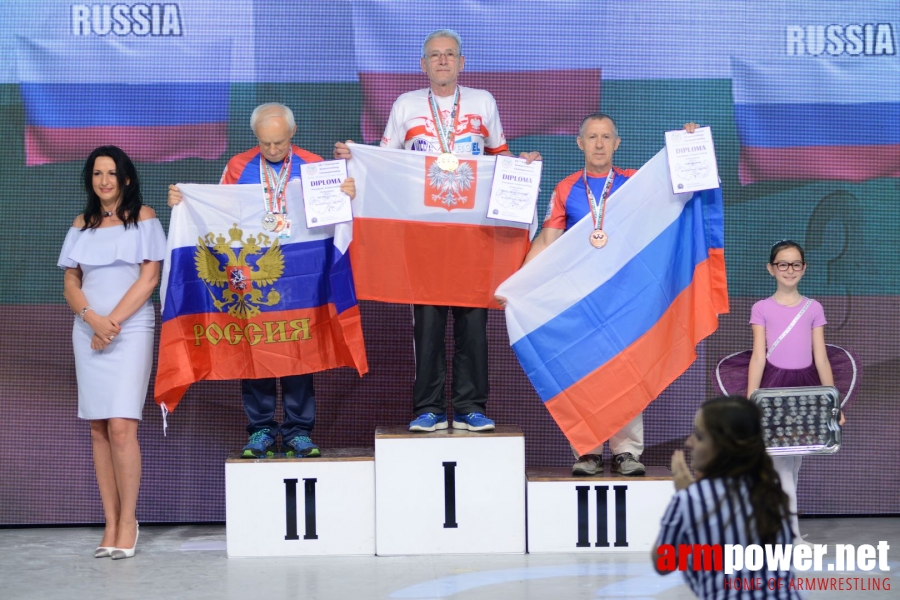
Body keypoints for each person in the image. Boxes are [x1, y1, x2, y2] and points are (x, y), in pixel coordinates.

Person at [334, 29, 540, 433]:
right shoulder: (405, 105)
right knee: (426, 322)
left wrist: (522, 164)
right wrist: (354, 157)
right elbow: (384, 161)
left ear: (462, 63)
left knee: (472, 323)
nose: (443, 61)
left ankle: (470, 407)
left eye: (450, 55)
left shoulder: (483, 101)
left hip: (473, 232)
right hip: (422, 232)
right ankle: (427, 407)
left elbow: (499, 156)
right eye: (434, 55)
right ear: (422, 64)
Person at [498, 113, 697, 476]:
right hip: (581, 296)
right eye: (592, 137)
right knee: (583, 369)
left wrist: (688, 146)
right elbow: (547, 240)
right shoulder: (566, 189)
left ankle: (627, 451)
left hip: (625, 292)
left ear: (617, 143)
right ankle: (587, 450)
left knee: (626, 367)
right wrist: (519, 284)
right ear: (580, 143)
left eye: (606, 137)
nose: (600, 144)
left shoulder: (634, 183)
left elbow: (677, 189)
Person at [168, 103, 357, 458]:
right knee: (255, 345)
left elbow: (338, 220)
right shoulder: (238, 165)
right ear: (256, 137)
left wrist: (347, 194)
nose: (272, 150)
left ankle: (299, 431)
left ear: (293, 134)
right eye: (265, 143)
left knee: (300, 345)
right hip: (253, 272)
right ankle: (262, 431)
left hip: (302, 274)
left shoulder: (317, 166)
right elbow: (217, 213)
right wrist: (185, 202)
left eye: (279, 143)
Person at [59, 146, 166, 560]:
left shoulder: (145, 218)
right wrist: (91, 318)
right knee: (98, 428)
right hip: (88, 331)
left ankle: (128, 520)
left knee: (122, 426)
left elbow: (149, 278)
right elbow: (71, 281)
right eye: (97, 173)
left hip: (130, 329)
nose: (104, 180)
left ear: (125, 179)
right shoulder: (81, 225)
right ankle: (110, 520)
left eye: (111, 173)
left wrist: (111, 324)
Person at [713, 240, 857, 540]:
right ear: (771, 269)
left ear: (804, 269)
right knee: (781, 463)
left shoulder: (813, 308)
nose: (788, 270)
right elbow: (757, 355)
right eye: (782, 264)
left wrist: (833, 403)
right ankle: (789, 534)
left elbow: (821, 357)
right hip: (774, 390)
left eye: (795, 264)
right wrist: (752, 397)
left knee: (795, 460)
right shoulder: (761, 308)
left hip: (806, 391)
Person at [652, 396, 801, 599]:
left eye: (699, 435)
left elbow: (663, 563)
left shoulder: (691, 499)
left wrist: (685, 497)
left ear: (721, 446)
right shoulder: (772, 493)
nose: (689, 442)